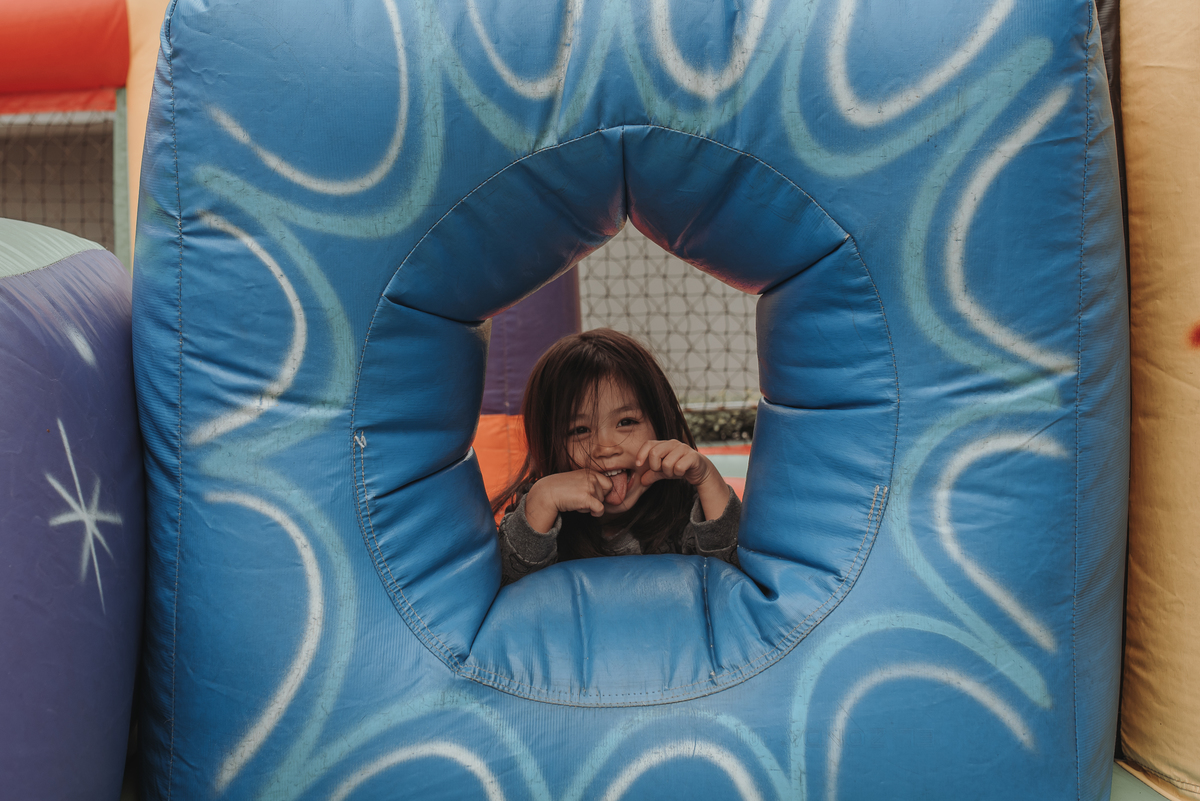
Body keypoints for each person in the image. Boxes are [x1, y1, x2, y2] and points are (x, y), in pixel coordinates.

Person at [492, 328, 741, 586]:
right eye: (579, 430)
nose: (606, 447)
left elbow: (738, 580)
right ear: (549, 444)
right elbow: (504, 586)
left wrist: (708, 479)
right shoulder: (539, 511)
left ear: (659, 425)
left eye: (626, 422)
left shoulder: (686, 508)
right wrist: (542, 501)